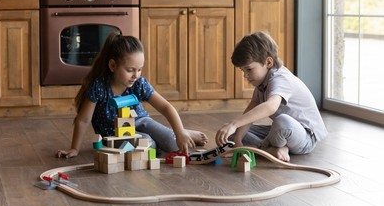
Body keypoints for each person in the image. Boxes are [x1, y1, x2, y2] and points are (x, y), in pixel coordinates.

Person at [57, 32, 208, 158]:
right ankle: (176, 134)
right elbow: (83, 120)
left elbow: (165, 107)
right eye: (130, 70)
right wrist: (74, 149)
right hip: (113, 134)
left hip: (141, 121)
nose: (136, 75)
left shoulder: (139, 83)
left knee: (172, 143)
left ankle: (183, 132)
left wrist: (179, 131)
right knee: (148, 146)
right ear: (113, 66)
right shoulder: (99, 87)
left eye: (140, 69)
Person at [215, 31, 328, 162]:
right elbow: (250, 112)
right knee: (232, 136)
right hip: (280, 133)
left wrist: (234, 123)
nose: (245, 75)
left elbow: (271, 107)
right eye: (243, 71)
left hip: (304, 137)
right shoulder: (262, 83)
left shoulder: (281, 78)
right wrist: (238, 140)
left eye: (249, 69)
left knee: (282, 121)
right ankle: (271, 149)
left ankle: (269, 148)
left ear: (268, 62)